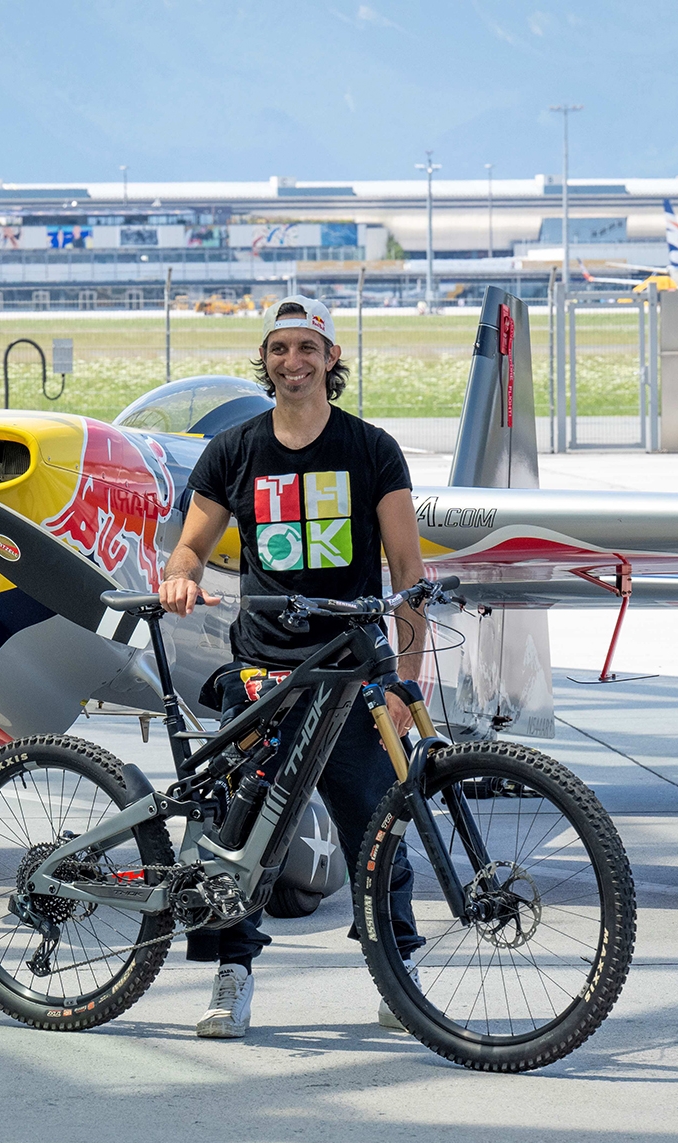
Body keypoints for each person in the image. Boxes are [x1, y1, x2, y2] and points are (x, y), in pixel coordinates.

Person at [158, 296, 427, 1040]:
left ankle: (397, 975)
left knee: (379, 828)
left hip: (349, 675)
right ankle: (232, 975)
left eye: (307, 347)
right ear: (267, 359)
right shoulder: (234, 451)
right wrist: (180, 575)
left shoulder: (373, 450)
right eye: (279, 349)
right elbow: (190, 547)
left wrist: (406, 679)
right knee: (238, 837)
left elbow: (406, 570)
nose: (292, 362)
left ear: (331, 359)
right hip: (266, 674)